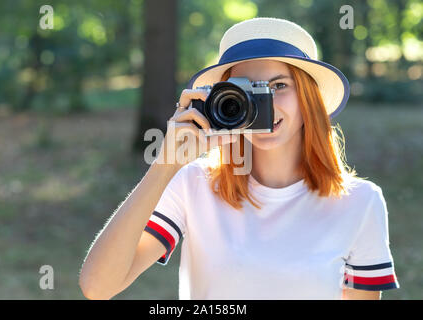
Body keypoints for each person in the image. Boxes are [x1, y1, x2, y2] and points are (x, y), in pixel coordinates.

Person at [79, 17, 399, 300]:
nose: (266, 104)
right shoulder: (192, 185)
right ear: (224, 102)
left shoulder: (361, 202)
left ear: (308, 97)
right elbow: (98, 287)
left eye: (279, 86)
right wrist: (164, 167)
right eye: (245, 91)